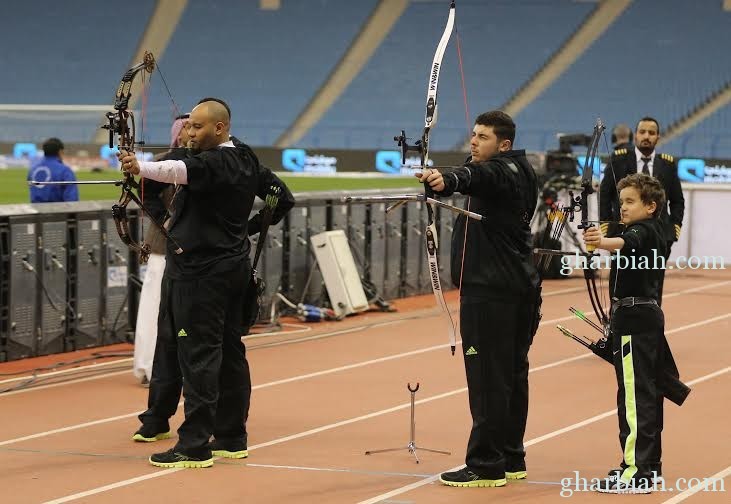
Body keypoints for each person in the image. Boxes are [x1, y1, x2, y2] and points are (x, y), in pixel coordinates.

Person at [120, 98, 294, 468]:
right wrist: (246, 231)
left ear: (220, 128)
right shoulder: (244, 156)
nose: (188, 132)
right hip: (232, 270)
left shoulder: (214, 161)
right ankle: (231, 437)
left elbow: (178, 170)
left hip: (200, 275)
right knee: (230, 353)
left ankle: (195, 444)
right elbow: (283, 198)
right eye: (187, 126)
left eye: (197, 127)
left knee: (198, 356)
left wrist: (140, 166)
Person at [418, 111, 540, 488]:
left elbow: (478, 175)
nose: (473, 141)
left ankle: (486, 464)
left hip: (492, 295)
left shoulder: (504, 171)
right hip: (516, 290)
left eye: (482, 137)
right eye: (473, 134)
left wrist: (447, 178)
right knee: (511, 375)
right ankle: (510, 456)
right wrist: (452, 178)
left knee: (489, 377)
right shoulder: (519, 170)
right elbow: (478, 175)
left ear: (503, 144)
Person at [584, 173, 680, 493]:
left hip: (635, 319)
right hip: (643, 317)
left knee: (635, 397)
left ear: (651, 206)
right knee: (646, 394)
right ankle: (648, 466)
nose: (622, 207)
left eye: (629, 202)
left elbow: (627, 240)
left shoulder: (644, 230)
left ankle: (636, 471)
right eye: (620, 201)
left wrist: (602, 241)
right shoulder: (653, 230)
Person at [600, 117, 685, 304]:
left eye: (651, 133)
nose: (646, 136)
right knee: (619, 282)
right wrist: (608, 228)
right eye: (642, 132)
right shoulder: (620, 158)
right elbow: (605, 195)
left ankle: (652, 324)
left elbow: (677, 201)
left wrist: (672, 231)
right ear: (635, 135)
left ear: (658, 137)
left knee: (654, 285)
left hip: (659, 237)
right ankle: (617, 324)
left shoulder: (668, 164)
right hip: (622, 233)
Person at [132, 114, 190, 388]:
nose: (191, 133)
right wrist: (163, 218)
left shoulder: (205, 162)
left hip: (192, 250)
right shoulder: (163, 162)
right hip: (162, 246)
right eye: (187, 127)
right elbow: (146, 194)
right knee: (154, 307)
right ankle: (148, 366)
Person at [27, 138, 79, 202]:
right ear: (60, 152)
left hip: (36, 210)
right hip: (57, 210)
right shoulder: (65, 171)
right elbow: (72, 199)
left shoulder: (33, 170)